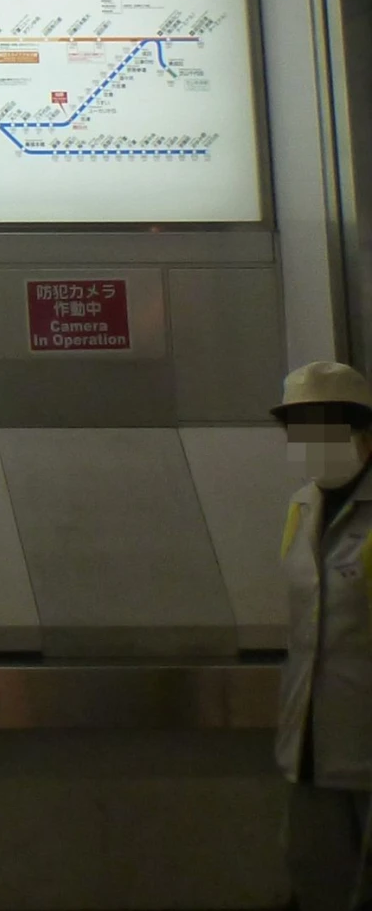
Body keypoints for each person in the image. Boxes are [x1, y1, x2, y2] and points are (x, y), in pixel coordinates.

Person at [275, 360, 372, 911]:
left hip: (364, 743)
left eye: (320, 428)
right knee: (315, 880)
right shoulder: (302, 504)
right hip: (309, 741)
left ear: (357, 430)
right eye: (297, 429)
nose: (307, 443)